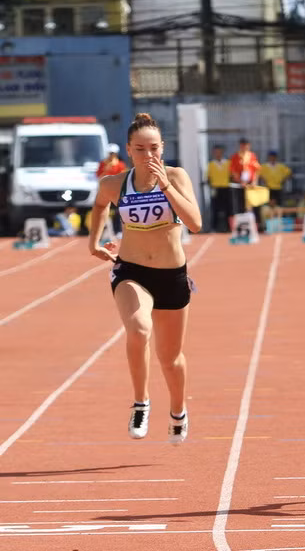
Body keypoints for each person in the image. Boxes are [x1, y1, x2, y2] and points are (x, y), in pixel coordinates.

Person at [87, 113, 203, 445]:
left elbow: (195, 223)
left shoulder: (176, 177)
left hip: (171, 276)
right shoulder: (115, 184)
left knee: (171, 359)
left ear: (163, 148)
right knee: (138, 330)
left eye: (154, 148)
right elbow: (98, 205)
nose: (148, 156)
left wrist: (164, 185)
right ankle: (141, 402)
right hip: (131, 271)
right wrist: (94, 242)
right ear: (129, 150)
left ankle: (178, 412)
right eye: (140, 149)